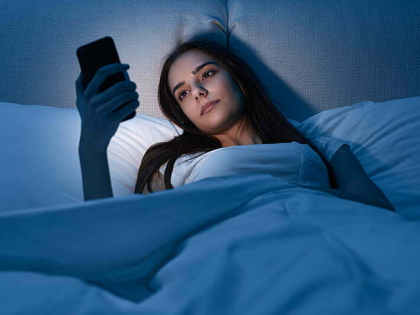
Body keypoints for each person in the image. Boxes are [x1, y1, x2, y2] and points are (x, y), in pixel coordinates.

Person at [75, 38, 395, 212]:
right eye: (184, 92)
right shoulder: (172, 164)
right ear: (183, 114)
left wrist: (278, 195)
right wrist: (92, 147)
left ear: (237, 77)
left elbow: (380, 214)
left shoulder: (322, 147)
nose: (198, 91)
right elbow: (115, 236)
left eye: (207, 74)